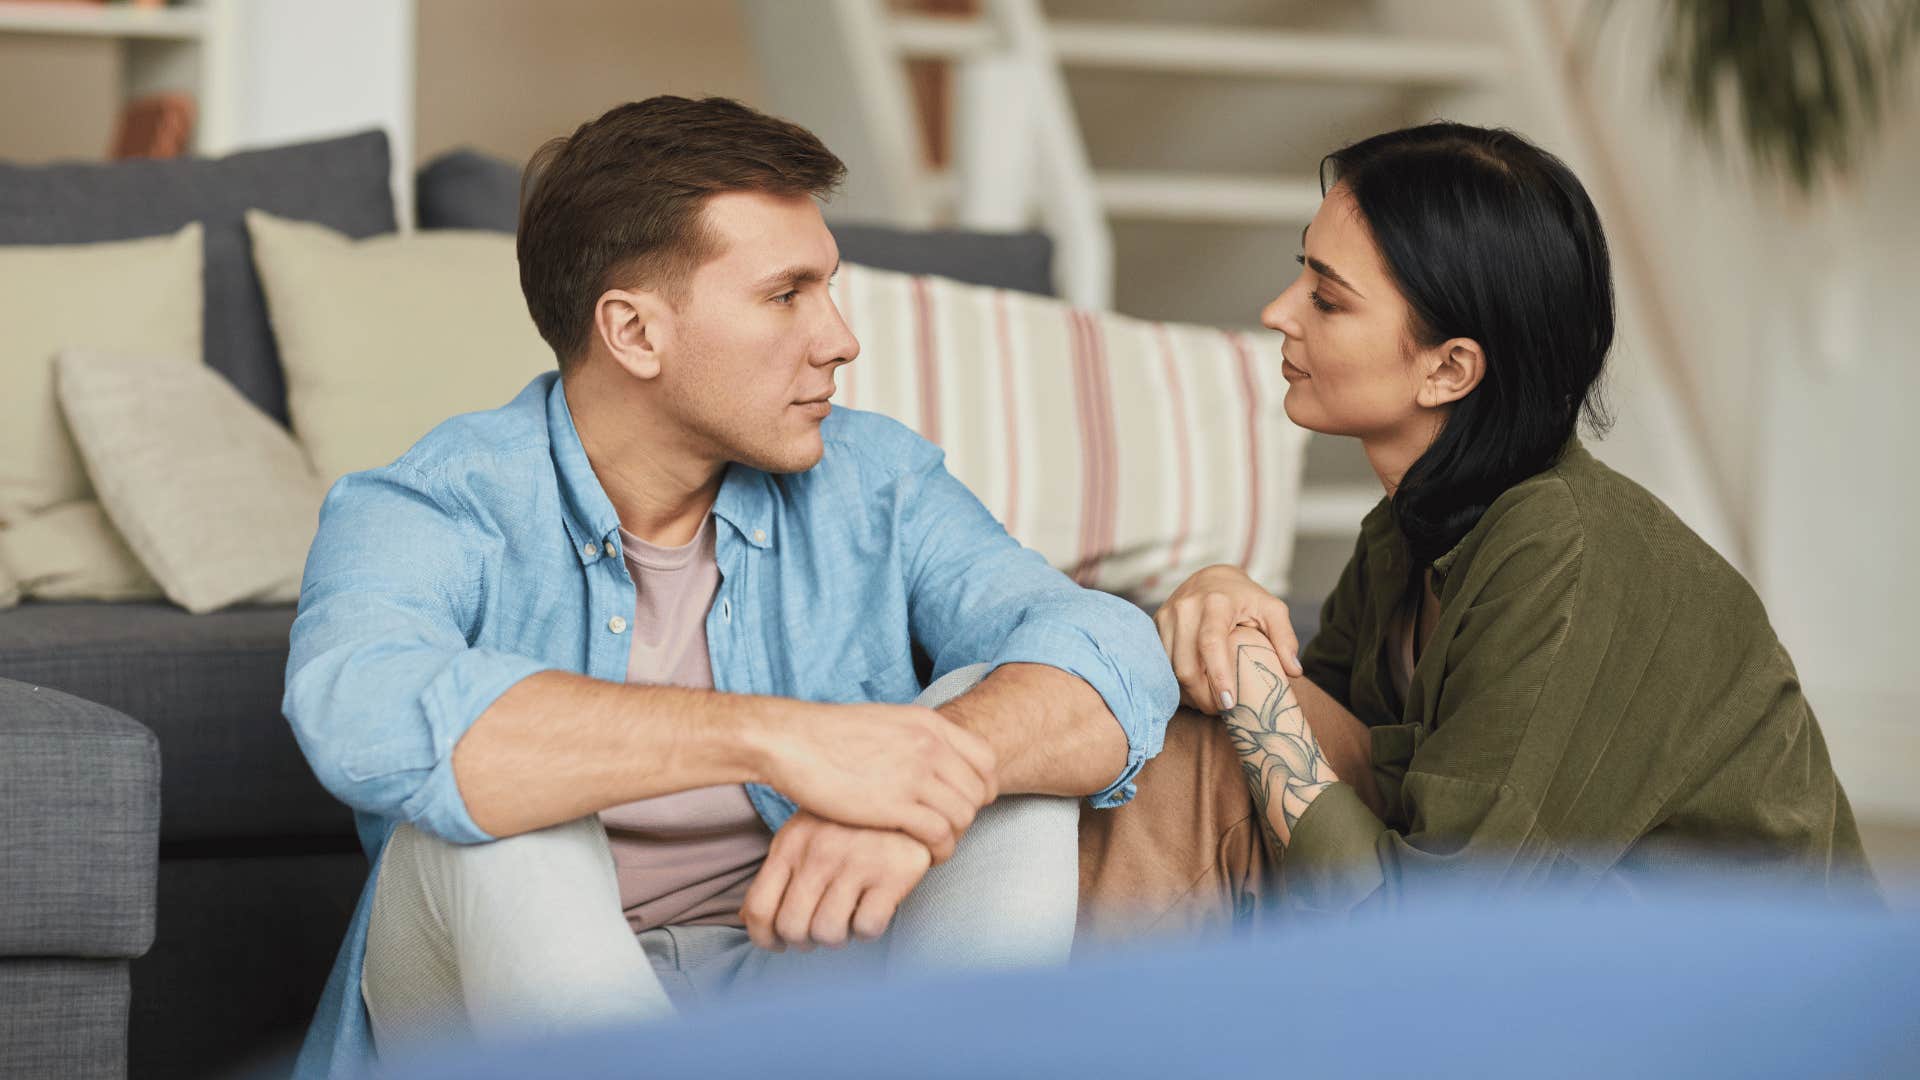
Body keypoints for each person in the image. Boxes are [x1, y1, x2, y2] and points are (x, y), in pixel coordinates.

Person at [283, 96, 1176, 1078]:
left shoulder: (874, 479)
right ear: (634, 333)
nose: (839, 339)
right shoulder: (430, 503)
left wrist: (913, 780)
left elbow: (1105, 646)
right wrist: (782, 739)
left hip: (806, 977)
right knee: (503, 809)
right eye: (787, 294)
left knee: (989, 731)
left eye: (827, 290)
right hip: (498, 1014)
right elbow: (354, 708)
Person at [1139, 121, 1875, 912]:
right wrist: (1220, 600)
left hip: (1722, 1003)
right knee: (1199, 737)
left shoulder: (1559, 555)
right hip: (1545, 967)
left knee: (1219, 732)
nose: (1279, 312)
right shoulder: (1405, 530)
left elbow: (1430, 932)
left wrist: (1248, 689)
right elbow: (1304, 749)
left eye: (1326, 297)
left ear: (1450, 368)